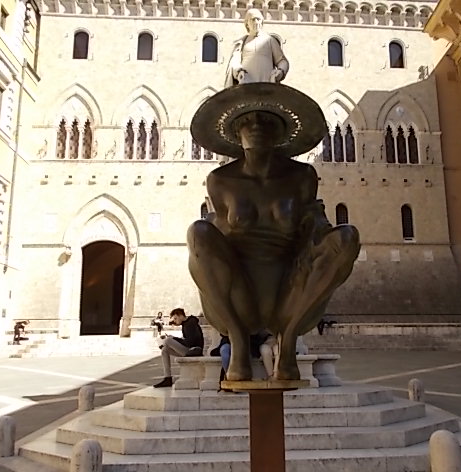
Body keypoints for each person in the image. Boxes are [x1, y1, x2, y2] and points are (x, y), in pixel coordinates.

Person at [189, 83, 360, 382]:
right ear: (236, 132)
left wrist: (323, 233)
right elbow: (218, 231)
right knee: (198, 232)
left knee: (348, 237)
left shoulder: (302, 176)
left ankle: (288, 340)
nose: (256, 126)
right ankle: (238, 339)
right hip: (239, 290)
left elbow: (315, 224)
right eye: (246, 121)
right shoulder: (220, 180)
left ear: (280, 133)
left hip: (290, 289)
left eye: (266, 121)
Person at [225, 8, 289, 87]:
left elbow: (282, 60)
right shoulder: (241, 43)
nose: (256, 22)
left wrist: (280, 71)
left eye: (258, 19)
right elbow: (235, 62)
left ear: (261, 22)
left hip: (267, 83)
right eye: (253, 19)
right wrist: (238, 71)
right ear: (247, 24)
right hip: (246, 83)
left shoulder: (270, 40)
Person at [153, 308, 204, 388]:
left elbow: (189, 342)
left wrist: (174, 339)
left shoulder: (190, 323)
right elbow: (186, 341)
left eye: (175, 318)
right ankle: (167, 378)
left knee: (168, 340)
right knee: (164, 350)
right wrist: (175, 339)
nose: (175, 321)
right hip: (190, 349)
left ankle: (163, 344)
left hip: (194, 350)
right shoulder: (185, 324)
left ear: (180, 315)